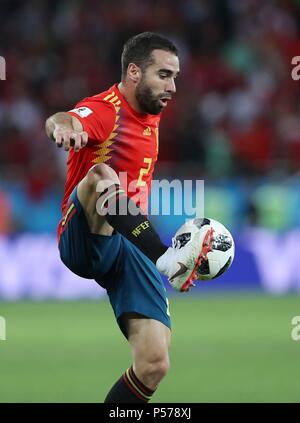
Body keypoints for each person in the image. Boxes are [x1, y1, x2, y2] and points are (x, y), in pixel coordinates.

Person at [45, 32, 208, 403]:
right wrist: (63, 128)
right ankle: (164, 257)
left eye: (176, 76)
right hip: (84, 237)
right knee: (102, 175)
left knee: (155, 363)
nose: (173, 87)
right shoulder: (106, 110)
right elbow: (65, 118)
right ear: (133, 72)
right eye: (164, 75)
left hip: (128, 241)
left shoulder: (150, 110)